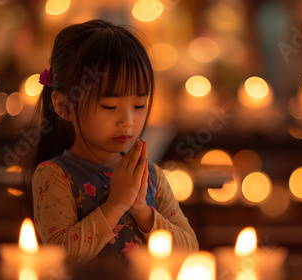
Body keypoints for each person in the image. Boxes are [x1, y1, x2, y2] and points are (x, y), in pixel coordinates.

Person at [22, 19, 198, 263]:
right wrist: (116, 204)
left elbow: (190, 249)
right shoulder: (54, 177)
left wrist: (142, 212)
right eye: (110, 106)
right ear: (64, 106)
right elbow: (60, 257)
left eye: (139, 105)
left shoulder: (150, 177)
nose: (127, 122)